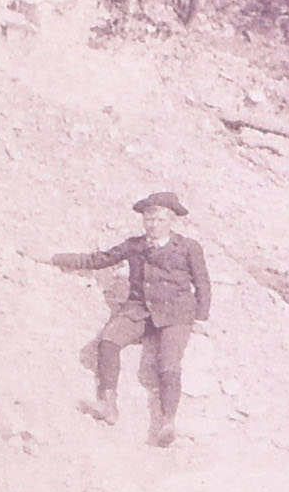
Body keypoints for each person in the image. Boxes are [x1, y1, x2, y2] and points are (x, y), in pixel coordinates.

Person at [51, 189, 213, 446]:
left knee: (168, 361)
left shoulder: (189, 248)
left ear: (172, 220)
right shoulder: (135, 246)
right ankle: (108, 404)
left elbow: (203, 284)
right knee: (109, 340)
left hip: (176, 313)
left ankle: (167, 422)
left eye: (160, 220)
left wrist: (201, 319)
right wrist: (54, 258)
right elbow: (98, 259)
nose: (153, 225)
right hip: (139, 309)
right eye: (149, 219)